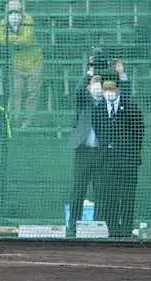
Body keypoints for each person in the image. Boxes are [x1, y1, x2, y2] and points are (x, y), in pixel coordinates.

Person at [91, 65, 143, 237]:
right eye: (105, 89)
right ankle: (111, 230)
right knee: (110, 197)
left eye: (111, 89)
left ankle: (126, 230)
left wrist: (133, 156)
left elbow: (138, 134)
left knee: (127, 197)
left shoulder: (131, 109)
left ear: (118, 89)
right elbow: (98, 132)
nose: (108, 92)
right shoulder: (98, 110)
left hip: (127, 162)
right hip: (106, 163)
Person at [66, 59, 106, 235]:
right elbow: (78, 91)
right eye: (93, 83)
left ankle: (97, 227)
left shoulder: (106, 105)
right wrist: (90, 72)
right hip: (83, 152)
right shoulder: (83, 101)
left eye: (100, 83)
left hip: (101, 153)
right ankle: (72, 225)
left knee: (100, 190)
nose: (96, 87)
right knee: (78, 189)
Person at [0, 1, 42, 128]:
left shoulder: (28, 20)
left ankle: (27, 122)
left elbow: (26, 39)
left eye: (17, 11)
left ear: (22, 10)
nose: (14, 14)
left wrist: (9, 39)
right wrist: (16, 40)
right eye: (11, 12)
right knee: (16, 93)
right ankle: (13, 121)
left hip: (34, 62)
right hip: (16, 64)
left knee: (32, 93)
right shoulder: (4, 21)